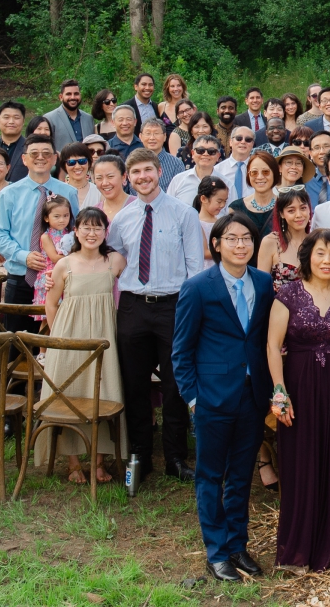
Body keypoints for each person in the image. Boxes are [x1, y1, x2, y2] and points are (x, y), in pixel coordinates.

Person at [172, 212, 274, 583]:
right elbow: (181, 350)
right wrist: (194, 398)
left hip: (252, 396)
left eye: (246, 238)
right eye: (231, 238)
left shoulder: (264, 284)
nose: (240, 245)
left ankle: (237, 545)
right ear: (216, 244)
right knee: (210, 476)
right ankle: (215, 552)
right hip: (212, 398)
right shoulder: (198, 287)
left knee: (241, 476)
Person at [108, 147, 207, 484]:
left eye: (148, 171)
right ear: (128, 178)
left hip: (173, 306)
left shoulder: (183, 214)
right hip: (134, 305)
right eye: (135, 173)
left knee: (175, 384)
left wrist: (192, 312)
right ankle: (140, 454)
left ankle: (175, 456)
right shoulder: (122, 218)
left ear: (158, 172)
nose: (142, 178)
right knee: (134, 382)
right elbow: (114, 259)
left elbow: (195, 269)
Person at [268, 228, 330, 572]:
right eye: (320, 253)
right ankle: (296, 550)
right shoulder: (288, 294)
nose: (327, 260)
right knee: (299, 464)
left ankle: (329, 551)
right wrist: (279, 390)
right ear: (307, 257)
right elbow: (273, 346)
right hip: (298, 386)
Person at [38, 206, 128, 484]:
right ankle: (73, 462)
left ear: (105, 232)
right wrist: (60, 339)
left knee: (102, 392)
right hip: (69, 337)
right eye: (86, 227)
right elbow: (51, 304)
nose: (92, 233)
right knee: (69, 393)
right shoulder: (64, 264)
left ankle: (99, 461)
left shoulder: (115, 261)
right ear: (75, 231)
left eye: (97, 227)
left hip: (104, 336)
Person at [0, 135, 78, 332]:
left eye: (46, 153)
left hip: (57, 280)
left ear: (55, 158)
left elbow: (75, 233)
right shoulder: (9, 193)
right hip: (21, 276)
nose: (40, 158)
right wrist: (24, 256)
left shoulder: (69, 193)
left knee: (54, 339)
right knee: (15, 342)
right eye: (34, 153)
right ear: (24, 159)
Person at [257, 188, 313, 286]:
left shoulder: (316, 241)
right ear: (282, 213)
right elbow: (261, 285)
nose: (299, 215)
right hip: (278, 301)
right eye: (291, 211)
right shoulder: (270, 242)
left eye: (303, 208)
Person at [34, 195, 75, 308]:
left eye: (66, 216)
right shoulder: (46, 236)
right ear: (46, 218)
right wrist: (77, 258)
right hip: (50, 277)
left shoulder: (72, 234)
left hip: (68, 275)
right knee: (48, 315)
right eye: (57, 216)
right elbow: (54, 257)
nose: (62, 220)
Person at [228, 150, 279, 231]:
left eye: (265, 172)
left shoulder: (285, 206)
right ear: (248, 175)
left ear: (275, 173)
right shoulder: (236, 208)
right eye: (254, 173)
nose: (260, 177)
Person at [168, 134, 223, 206]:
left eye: (211, 151)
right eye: (200, 150)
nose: (205, 154)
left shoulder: (226, 184)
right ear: (193, 153)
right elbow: (168, 208)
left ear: (218, 156)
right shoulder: (178, 180)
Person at [213, 126, 257, 201]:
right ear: (230, 142)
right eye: (239, 138)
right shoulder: (217, 170)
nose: (243, 142)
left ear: (252, 144)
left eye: (248, 139)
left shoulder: (261, 169)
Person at [57, 142, 103, 212]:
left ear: (89, 163)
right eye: (71, 162)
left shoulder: (99, 192)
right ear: (64, 165)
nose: (77, 166)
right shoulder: (58, 192)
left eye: (82, 161)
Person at [45, 79, 89, 151]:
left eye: (76, 94)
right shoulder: (49, 118)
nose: (73, 97)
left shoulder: (88, 119)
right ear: (61, 97)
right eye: (68, 94)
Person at [195, 178, 230, 258]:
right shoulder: (197, 223)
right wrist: (228, 251)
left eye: (225, 201)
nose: (222, 205)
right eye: (219, 201)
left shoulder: (221, 220)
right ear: (203, 199)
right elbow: (204, 252)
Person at [92, 154, 132, 223]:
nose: (105, 183)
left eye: (110, 176)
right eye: (99, 178)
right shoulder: (94, 213)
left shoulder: (139, 206)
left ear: (124, 176)